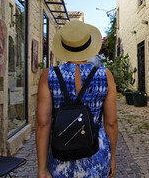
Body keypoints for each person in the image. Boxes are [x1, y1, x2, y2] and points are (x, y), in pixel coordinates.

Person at [36, 20, 118, 177]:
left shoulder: (49, 75)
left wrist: (41, 168)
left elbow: (42, 123)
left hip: (61, 156)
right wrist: (112, 158)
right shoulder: (104, 75)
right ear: (88, 45)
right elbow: (111, 122)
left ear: (64, 46)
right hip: (96, 153)